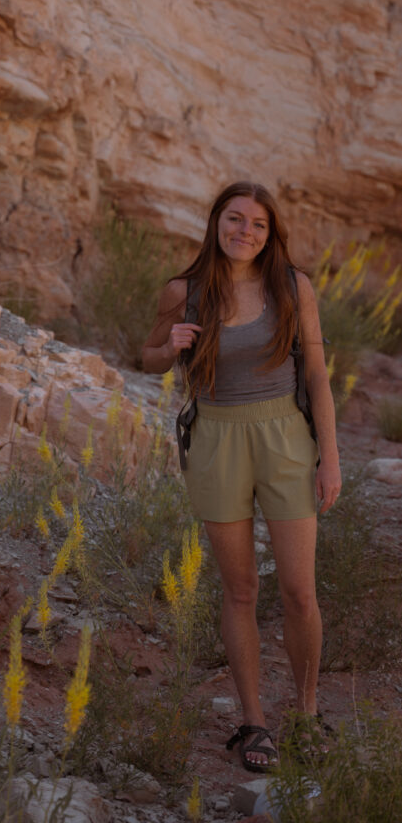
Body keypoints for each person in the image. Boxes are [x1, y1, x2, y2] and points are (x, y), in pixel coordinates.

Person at [140, 181, 341, 772]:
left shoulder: (291, 286)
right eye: (234, 219)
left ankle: (305, 714)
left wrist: (329, 456)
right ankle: (253, 723)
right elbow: (147, 356)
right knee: (241, 590)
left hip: (285, 438)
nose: (244, 232)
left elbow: (319, 376)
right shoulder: (184, 291)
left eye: (256, 224)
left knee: (300, 591)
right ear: (216, 222)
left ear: (270, 232)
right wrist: (168, 345)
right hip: (217, 440)